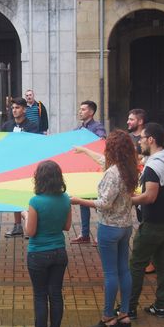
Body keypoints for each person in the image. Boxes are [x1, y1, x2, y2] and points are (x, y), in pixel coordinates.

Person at [70, 131, 137, 327]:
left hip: (109, 228)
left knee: (110, 273)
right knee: (124, 270)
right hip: (125, 226)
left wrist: (77, 200)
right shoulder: (129, 169)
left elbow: (104, 203)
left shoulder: (112, 173)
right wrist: (84, 150)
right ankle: (124, 313)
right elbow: (102, 161)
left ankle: (108, 316)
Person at [127, 123, 164, 319]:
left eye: (142, 138)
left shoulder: (153, 166)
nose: (139, 141)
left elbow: (149, 197)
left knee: (136, 264)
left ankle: (129, 308)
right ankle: (160, 306)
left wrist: (129, 199)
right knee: (162, 263)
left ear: (151, 140)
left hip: (153, 225)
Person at [23, 160, 72, 327]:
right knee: (56, 294)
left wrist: (26, 215)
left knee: (40, 295)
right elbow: (67, 226)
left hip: (38, 254)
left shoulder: (35, 201)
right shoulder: (65, 198)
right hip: (59, 252)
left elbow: (31, 232)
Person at [71, 100, 106, 245]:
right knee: (83, 202)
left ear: (91, 112)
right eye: (80, 109)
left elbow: (101, 141)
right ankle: (84, 234)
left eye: (83, 109)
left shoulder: (98, 127)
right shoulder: (78, 129)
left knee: (98, 204)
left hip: (95, 171)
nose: (80, 111)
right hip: (81, 172)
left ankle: (100, 235)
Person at [2, 98, 38, 238]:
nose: (14, 110)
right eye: (13, 108)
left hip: (27, 166)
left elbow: (34, 145)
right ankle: (18, 226)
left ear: (24, 109)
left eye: (17, 107)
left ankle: (31, 225)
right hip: (12, 166)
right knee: (14, 194)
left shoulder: (33, 126)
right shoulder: (6, 126)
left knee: (29, 195)